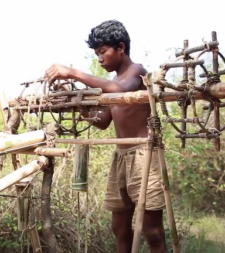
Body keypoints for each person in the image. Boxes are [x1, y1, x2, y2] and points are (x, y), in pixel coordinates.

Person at [44, 20, 168, 253]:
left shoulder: (137, 73)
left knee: (152, 230)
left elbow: (123, 92)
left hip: (144, 155)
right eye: (96, 54)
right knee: (119, 227)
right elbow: (102, 122)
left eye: (102, 52)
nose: (99, 58)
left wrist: (72, 72)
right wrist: (77, 101)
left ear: (120, 48)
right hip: (121, 156)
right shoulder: (112, 84)